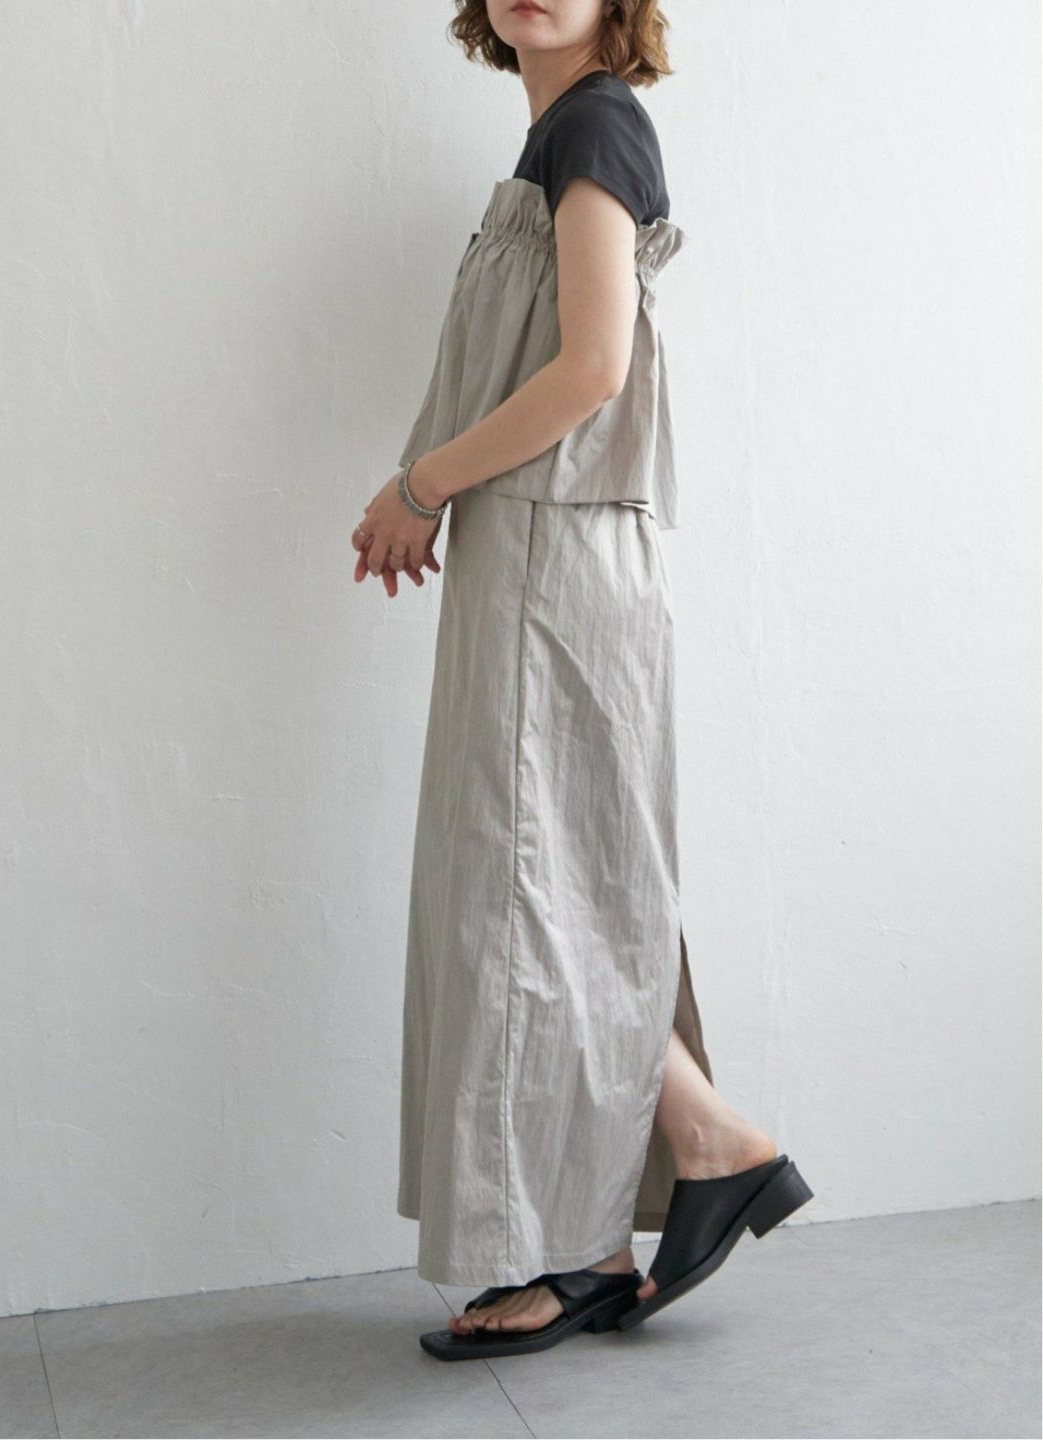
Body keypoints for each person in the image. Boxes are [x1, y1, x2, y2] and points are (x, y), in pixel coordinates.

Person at [350, 0, 812, 1360]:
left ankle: (613, 1225)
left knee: (532, 895)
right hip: (548, 551)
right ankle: (669, 1179)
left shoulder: (596, 126)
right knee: (556, 891)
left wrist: (421, 484)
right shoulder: (561, 135)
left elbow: (594, 367)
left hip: (557, 560)